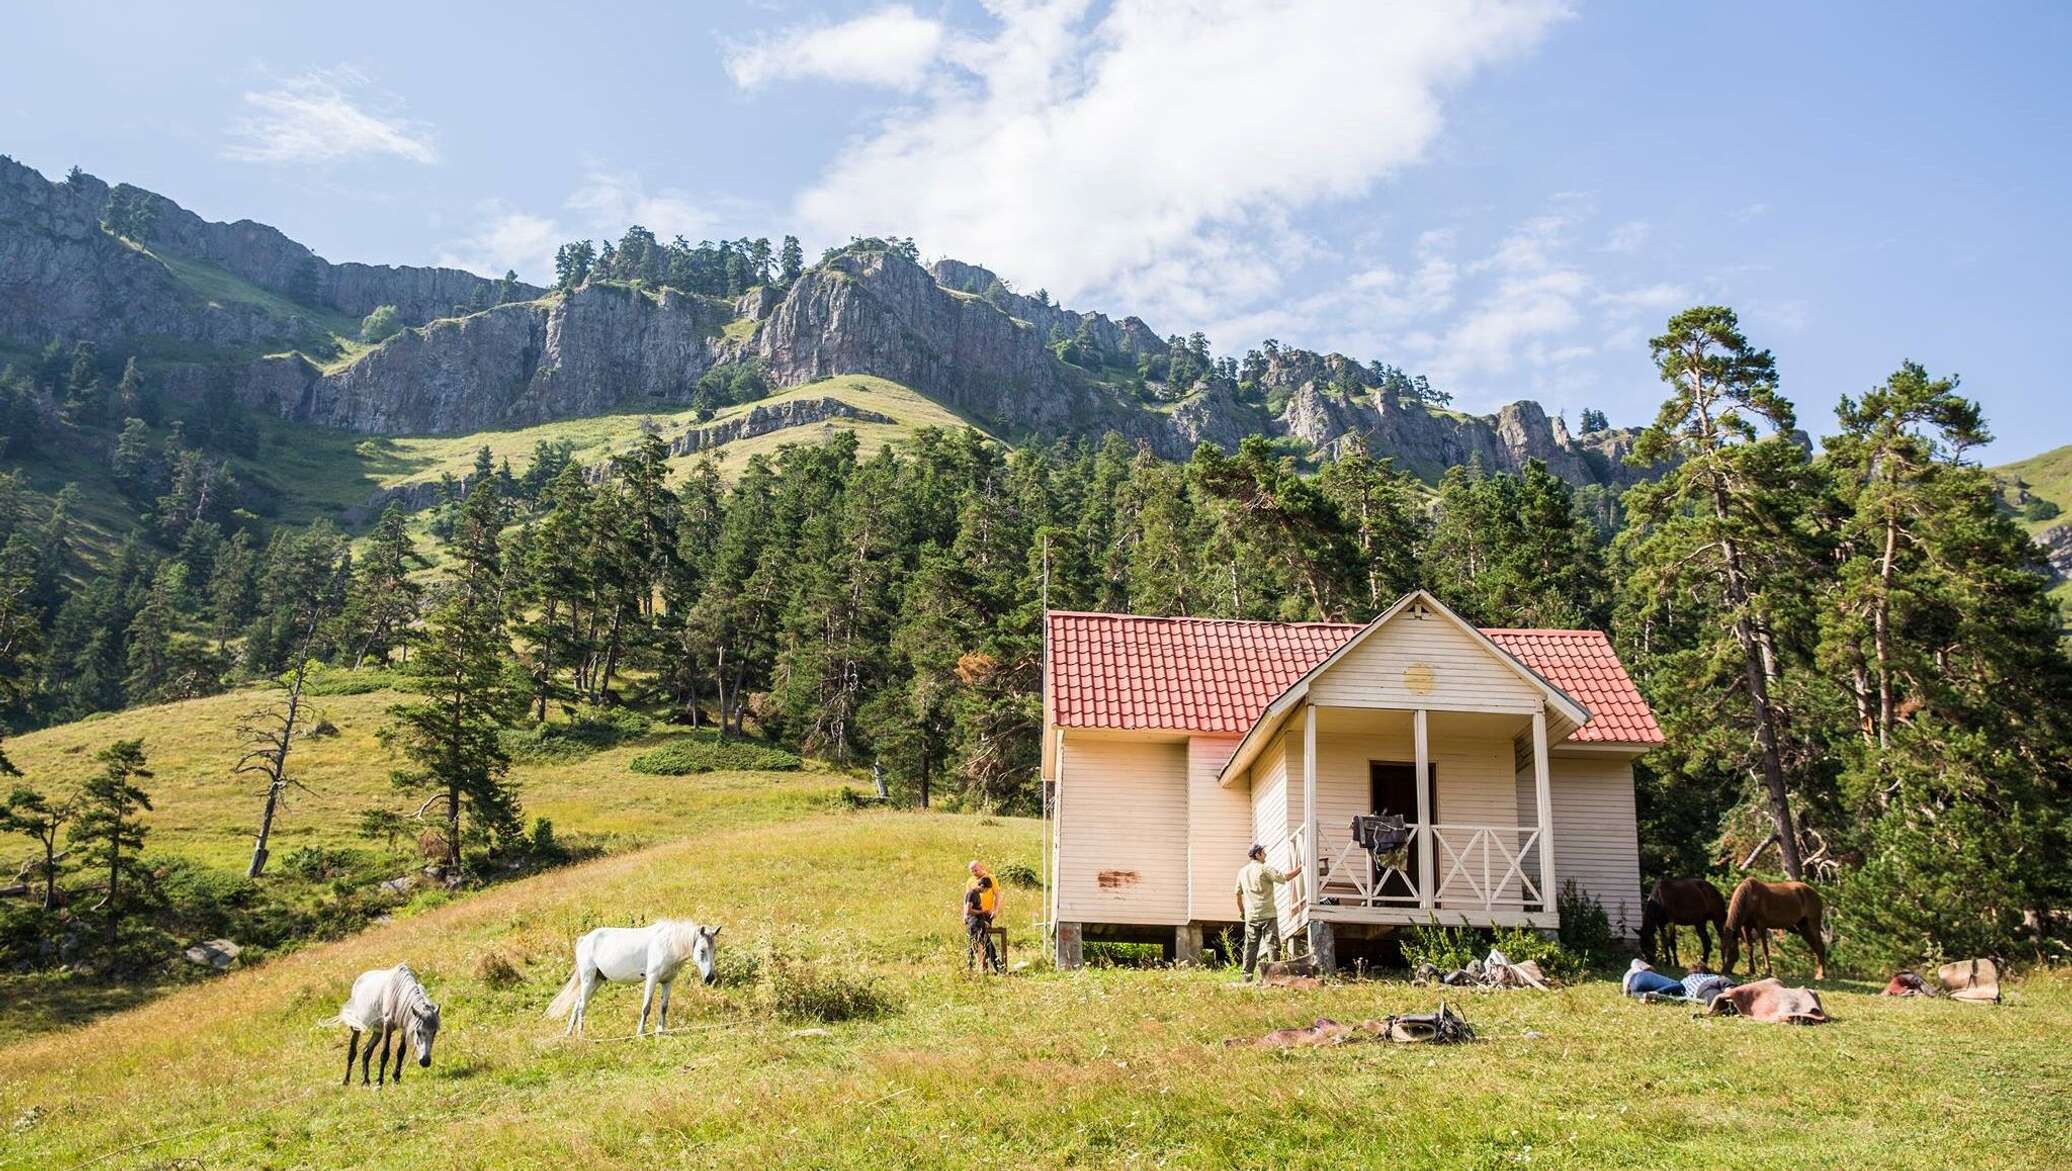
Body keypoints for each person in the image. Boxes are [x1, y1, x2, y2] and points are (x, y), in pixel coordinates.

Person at [1234, 844, 1302, 978]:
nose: (1266, 855)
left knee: (1250, 948)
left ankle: (1246, 976)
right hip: (1268, 914)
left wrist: (1242, 912)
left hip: (1251, 916)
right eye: (1264, 852)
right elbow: (1284, 877)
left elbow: (1237, 894)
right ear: (1258, 854)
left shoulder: (1242, 872)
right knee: (1272, 946)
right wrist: (1302, 867)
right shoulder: (1264, 869)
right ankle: (1274, 977)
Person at [964, 860, 1002, 973]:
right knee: (978, 942)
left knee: (984, 940)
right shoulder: (971, 886)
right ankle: (982, 967)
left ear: (981, 867)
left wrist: (995, 910)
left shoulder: (990, 878)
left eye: (976, 870)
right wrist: (965, 914)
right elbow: (967, 903)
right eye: (972, 871)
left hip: (986, 914)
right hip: (975, 917)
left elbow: (997, 895)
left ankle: (986, 967)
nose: (974, 872)